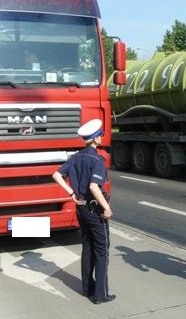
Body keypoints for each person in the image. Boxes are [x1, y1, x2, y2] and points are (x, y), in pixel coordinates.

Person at [52, 119, 115, 304]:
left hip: (80, 208)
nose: (101, 138)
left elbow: (56, 175)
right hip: (95, 210)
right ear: (95, 139)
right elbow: (94, 186)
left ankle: (87, 288)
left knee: (87, 247)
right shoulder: (97, 160)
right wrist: (107, 207)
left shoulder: (75, 157)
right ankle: (100, 294)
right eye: (100, 136)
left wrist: (71, 192)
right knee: (102, 251)